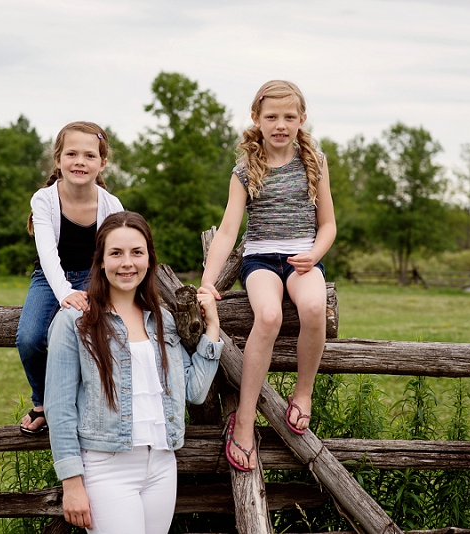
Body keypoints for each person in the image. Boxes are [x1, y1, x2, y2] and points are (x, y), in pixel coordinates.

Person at [44, 211, 223, 532]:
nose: (127, 262)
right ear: (100, 261)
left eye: (137, 252)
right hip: (106, 468)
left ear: (149, 259)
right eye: (116, 253)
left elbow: (194, 393)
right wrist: (71, 482)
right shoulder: (75, 321)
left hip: (162, 466)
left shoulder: (163, 321)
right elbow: (59, 408)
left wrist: (212, 330)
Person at [200, 80, 336, 471]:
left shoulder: (315, 162)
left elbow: (328, 225)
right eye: (271, 116)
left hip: (303, 258)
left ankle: (303, 392)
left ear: (302, 119)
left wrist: (313, 254)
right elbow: (228, 231)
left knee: (313, 307)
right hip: (260, 259)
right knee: (270, 316)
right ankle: (243, 419)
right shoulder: (245, 170)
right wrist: (208, 281)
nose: (280, 124)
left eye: (289, 116)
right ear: (256, 119)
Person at [16, 121, 123, 435]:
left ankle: (91, 406)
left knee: (93, 337)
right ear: (58, 159)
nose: (80, 161)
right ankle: (42, 403)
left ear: (102, 163)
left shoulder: (111, 205)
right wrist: (65, 292)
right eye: (72, 154)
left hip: (95, 279)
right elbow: (48, 254)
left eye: (90, 156)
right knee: (30, 338)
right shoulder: (44, 200)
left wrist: (101, 293)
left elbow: (116, 254)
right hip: (50, 279)